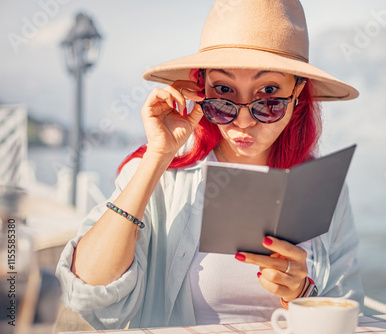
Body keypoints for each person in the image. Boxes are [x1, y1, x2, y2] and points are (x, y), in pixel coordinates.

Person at [56, 0, 364, 330]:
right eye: (224, 92)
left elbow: (348, 310)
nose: (243, 121)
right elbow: (86, 293)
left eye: (269, 93)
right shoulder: (162, 178)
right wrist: (158, 157)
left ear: (298, 91)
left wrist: (302, 293)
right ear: (200, 89)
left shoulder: (321, 188)